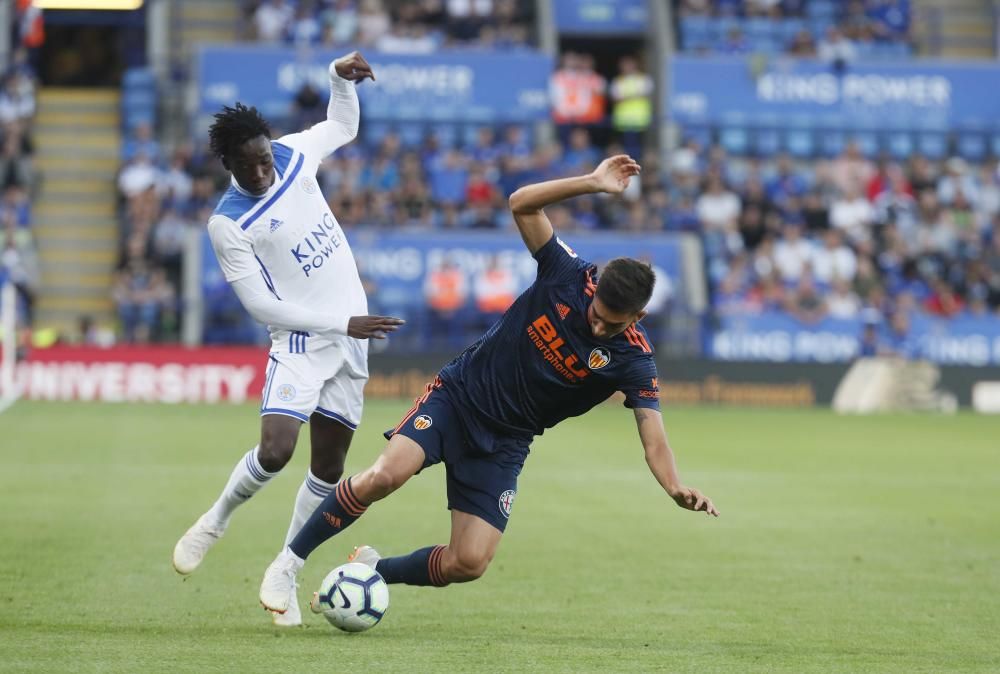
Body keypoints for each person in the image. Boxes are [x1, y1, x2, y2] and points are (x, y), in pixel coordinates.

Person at [258, 155, 719, 617]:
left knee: (469, 561)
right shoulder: (568, 275)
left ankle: (374, 571)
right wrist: (593, 183)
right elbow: (520, 204)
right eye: (596, 314)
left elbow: (653, 438)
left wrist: (675, 485)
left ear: (638, 318)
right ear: (595, 288)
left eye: (612, 325)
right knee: (385, 476)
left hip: (506, 441)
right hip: (459, 399)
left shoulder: (634, 360)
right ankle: (287, 565)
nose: (598, 328)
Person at [171, 51, 404, 627]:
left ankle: (287, 566)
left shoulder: (292, 155)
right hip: (302, 340)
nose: (259, 173)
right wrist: (338, 323)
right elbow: (260, 305)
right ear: (226, 163)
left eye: (260, 159)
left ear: (268, 144)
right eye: (245, 167)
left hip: (352, 340)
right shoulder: (228, 222)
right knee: (276, 450)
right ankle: (216, 520)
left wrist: (336, 79)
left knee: (329, 469)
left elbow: (342, 127)